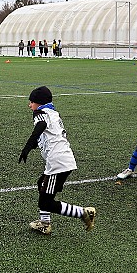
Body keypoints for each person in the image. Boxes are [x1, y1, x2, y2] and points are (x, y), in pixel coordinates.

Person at [19, 86, 96, 235]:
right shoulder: (52, 113)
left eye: (32, 102)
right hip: (61, 160)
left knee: (45, 202)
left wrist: (27, 147)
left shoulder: (40, 113)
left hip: (58, 163)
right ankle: (45, 223)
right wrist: (34, 145)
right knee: (42, 184)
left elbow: (40, 126)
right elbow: (48, 134)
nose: (30, 105)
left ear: (39, 103)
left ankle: (84, 213)